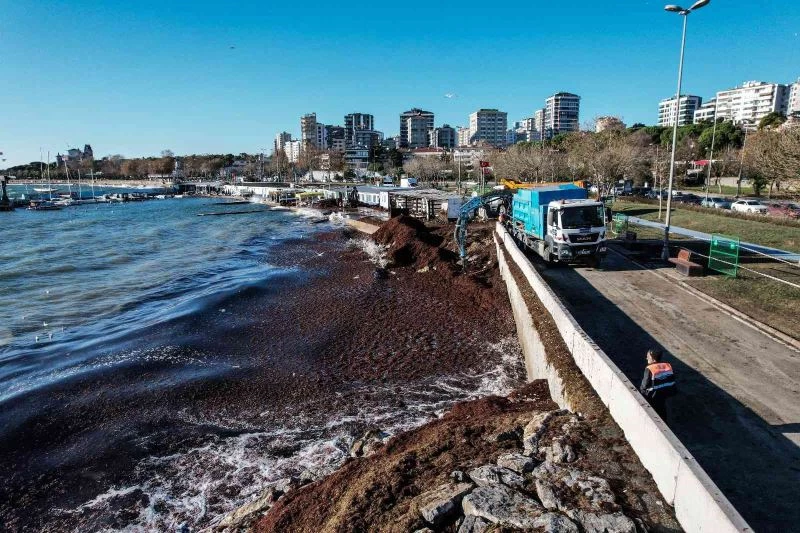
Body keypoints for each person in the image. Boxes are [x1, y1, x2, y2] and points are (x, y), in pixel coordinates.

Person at [640, 348, 676, 420]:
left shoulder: (649, 368)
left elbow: (644, 386)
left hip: (654, 396)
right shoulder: (667, 365)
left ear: (653, 360)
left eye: (648, 357)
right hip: (666, 393)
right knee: (662, 411)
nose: (646, 358)